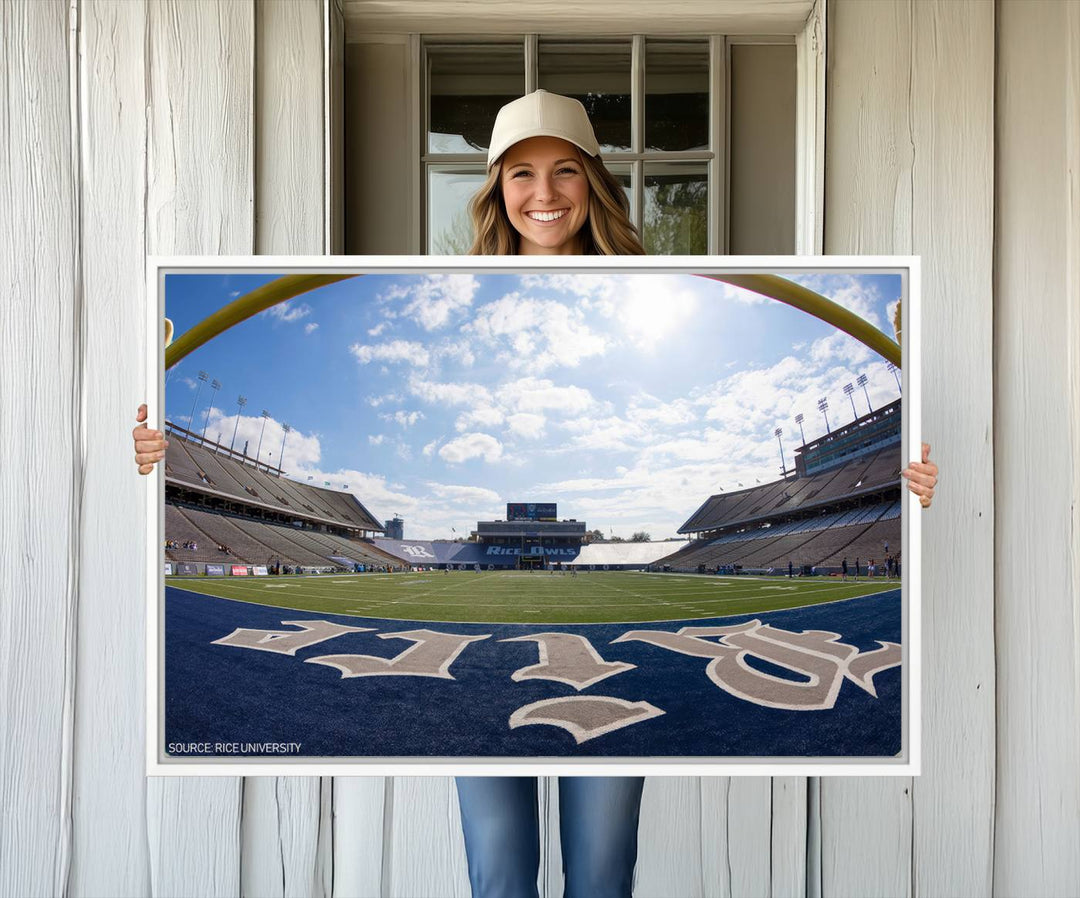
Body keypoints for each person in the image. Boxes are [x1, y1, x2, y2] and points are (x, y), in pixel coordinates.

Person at [132, 88, 940, 898]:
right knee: (500, 871)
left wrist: (910, 482)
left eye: (564, 171)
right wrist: (155, 452)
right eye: (521, 173)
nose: (544, 193)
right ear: (495, 189)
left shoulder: (652, 291)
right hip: (480, 682)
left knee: (601, 870)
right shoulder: (445, 291)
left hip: (606, 685)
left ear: (593, 180)